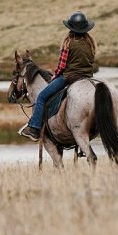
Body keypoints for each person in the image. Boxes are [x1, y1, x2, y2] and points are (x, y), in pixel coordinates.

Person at [19, 11, 96, 141]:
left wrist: (55, 76)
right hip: (87, 78)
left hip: (70, 77)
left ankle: (35, 128)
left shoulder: (68, 43)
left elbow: (61, 66)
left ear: (71, 28)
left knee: (42, 96)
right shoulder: (90, 43)